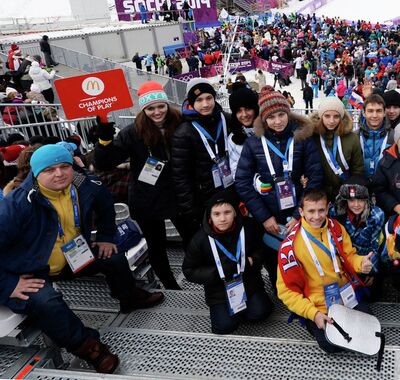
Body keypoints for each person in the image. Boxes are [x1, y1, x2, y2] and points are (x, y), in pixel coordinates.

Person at [0, 144, 164, 374]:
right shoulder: (16, 205)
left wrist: (107, 236)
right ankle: (89, 348)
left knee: (113, 257)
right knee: (47, 303)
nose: (59, 174)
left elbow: (106, 202)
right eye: (49, 170)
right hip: (33, 269)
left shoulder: (82, 184)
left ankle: (130, 297)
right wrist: (8, 284)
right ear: (36, 173)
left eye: (64, 166)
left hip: (75, 255)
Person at [94, 82, 194, 289]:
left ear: (167, 105)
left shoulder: (182, 122)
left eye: (161, 106)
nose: (157, 112)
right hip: (146, 196)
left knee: (192, 239)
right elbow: (105, 163)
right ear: (143, 109)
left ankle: (195, 273)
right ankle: (170, 284)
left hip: (178, 192)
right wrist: (104, 141)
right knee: (157, 246)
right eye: (150, 108)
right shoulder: (133, 132)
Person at [234, 87, 323, 286]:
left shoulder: (303, 138)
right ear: (264, 119)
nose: (278, 121)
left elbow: (315, 177)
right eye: (271, 117)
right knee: (274, 259)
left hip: (298, 211)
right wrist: (264, 217)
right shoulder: (254, 143)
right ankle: (279, 288)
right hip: (269, 215)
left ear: (288, 112)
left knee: (303, 257)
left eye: (282, 114)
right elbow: (242, 181)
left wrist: (299, 214)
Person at [277, 189, 374, 353]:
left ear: (328, 208)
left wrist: (360, 263)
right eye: (311, 211)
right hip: (318, 305)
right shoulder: (289, 247)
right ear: (301, 212)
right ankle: (311, 322)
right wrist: (313, 314)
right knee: (331, 345)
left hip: (345, 296)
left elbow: (349, 256)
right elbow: (286, 291)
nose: (317, 216)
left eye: (321, 210)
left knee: (368, 326)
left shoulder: (336, 228)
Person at [182, 193, 273, 334]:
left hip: (249, 282)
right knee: (224, 327)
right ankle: (232, 311)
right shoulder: (200, 239)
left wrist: (253, 260)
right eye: (217, 214)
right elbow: (188, 271)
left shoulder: (249, 227)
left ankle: (242, 308)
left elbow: (262, 247)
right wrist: (219, 271)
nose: (223, 218)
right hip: (219, 290)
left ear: (235, 213)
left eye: (227, 212)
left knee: (260, 313)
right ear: (210, 217)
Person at [172, 79, 234, 229]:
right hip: (203, 198)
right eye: (199, 100)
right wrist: (190, 209)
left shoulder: (226, 119)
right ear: (191, 102)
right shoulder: (184, 132)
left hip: (230, 189)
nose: (205, 104)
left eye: (209, 98)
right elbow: (181, 176)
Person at [329, 178, 385, 291]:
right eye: (351, 200)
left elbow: (375, 246)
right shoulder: (335, 213)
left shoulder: (377, 215)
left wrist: (372, 271)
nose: (356, 205)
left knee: (372, 294)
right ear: (345, 200)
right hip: (343, 262)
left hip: (366, 260)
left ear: (367, 200)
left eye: (361, 200)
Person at [225, 87, 259, 178]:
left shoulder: (269, 129)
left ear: (255, 109)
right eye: (239, 111)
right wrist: (256, 182)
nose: (244, 115)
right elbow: (236, 172)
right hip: (251, 187)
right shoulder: (234, 138)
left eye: (247, 109)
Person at [358, 94, 394, 179]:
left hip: (385, 186)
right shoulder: (355, 136)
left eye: (378, 111)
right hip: (362, 185)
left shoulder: (393, 136)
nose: (374, 115)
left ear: (384, 113)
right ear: (363, 112)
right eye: (370, 111)